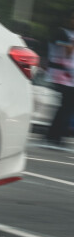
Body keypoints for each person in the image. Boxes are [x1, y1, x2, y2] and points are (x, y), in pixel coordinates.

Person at [46, 10, 74, 146]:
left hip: (69, 77)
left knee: (66, 107)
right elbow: (68, 52)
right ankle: (55, 136)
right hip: (60, 75)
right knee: (66, 106)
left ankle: (54, 135)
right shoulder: (61, 33)